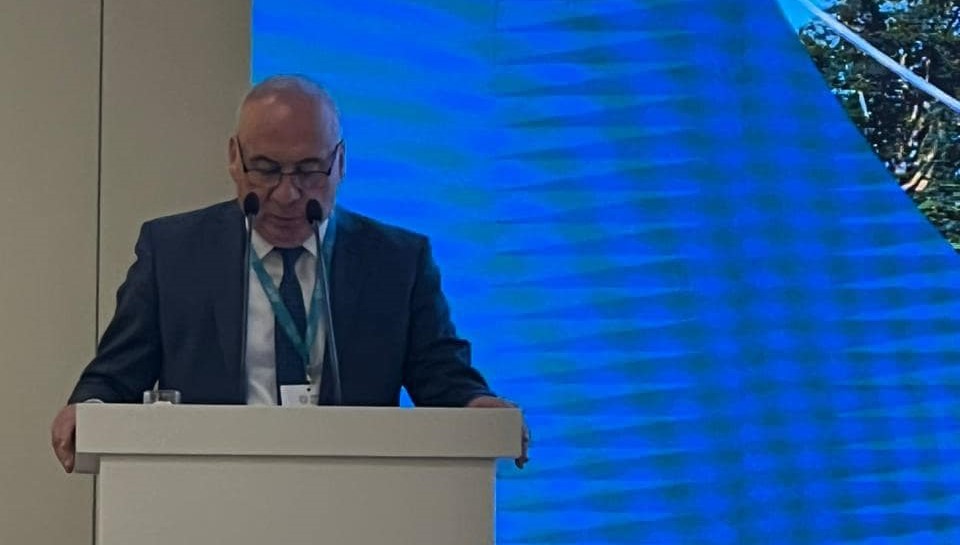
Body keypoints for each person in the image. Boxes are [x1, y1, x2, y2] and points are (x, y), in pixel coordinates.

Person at [50, 75, 528, 472]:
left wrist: (480, 408)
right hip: (209, 490)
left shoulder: (397, 262)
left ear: (340, 162)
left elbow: (442, 377)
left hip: (355, 493)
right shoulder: (174, 252)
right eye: (265, 169)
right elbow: (115, 376)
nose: (286, 194)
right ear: (234, 158)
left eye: (309, 170)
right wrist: (87, 409)